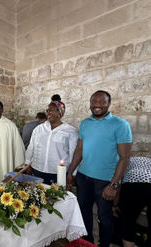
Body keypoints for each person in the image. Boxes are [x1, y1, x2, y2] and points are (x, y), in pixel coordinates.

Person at [66, 90, 132, 247]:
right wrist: (71, 172)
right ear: (90, 103)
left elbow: (125, 157)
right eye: (94, 101)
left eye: (102, 102)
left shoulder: (120, 124)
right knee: (83, 213)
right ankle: (87, 243)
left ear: (109, 104)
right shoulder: (85, 123)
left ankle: (104, 245)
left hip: (105, 180)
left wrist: (113, 184)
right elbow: (79, 150)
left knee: (105, 216)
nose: (97, 105)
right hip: (83, 177)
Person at [25, 95, 78, 185]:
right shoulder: (39, 129)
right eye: (47, 111)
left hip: (57, 173)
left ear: (59, 113)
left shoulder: (70, 131)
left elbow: (73, 154)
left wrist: (72, 174)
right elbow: (31, 147)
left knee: (56, 198)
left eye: (50, 111)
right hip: (37, 170)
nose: (47, 113)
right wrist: (27, 164)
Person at [113, 157, 151, 247]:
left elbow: (117, 186)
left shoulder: (124, 161)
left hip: (133, 184)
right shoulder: (148, 161)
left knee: (127, 220)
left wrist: (115, 205)